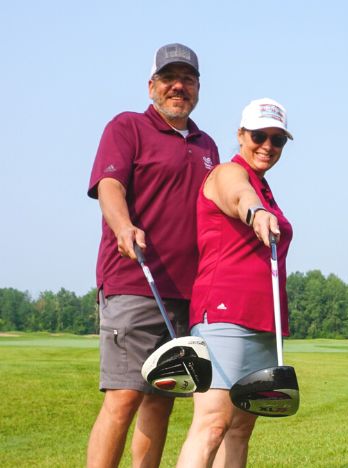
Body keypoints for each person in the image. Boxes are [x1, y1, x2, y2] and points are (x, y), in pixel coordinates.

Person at [86, 43, 219, 468]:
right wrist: (123, 225)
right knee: (124, 397)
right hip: (133, 281)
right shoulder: (127, 127)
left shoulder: (207, 145)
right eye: (169, 78)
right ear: (152, 86)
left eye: (187, 79)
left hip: (186, 293)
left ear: (198, 87)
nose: (178, 86)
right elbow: (109, 186)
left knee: (162, 400)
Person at [176, 98, 294, 467]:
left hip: (263, 321)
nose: (268, 146)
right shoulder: (230, 172)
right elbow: (237, 195)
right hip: (225, 316)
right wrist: (255, 211)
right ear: (241, 134)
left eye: (278, 140)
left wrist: (261, 204)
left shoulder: (264, 184)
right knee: (212, 423)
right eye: (259, 135)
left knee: (241, 428)